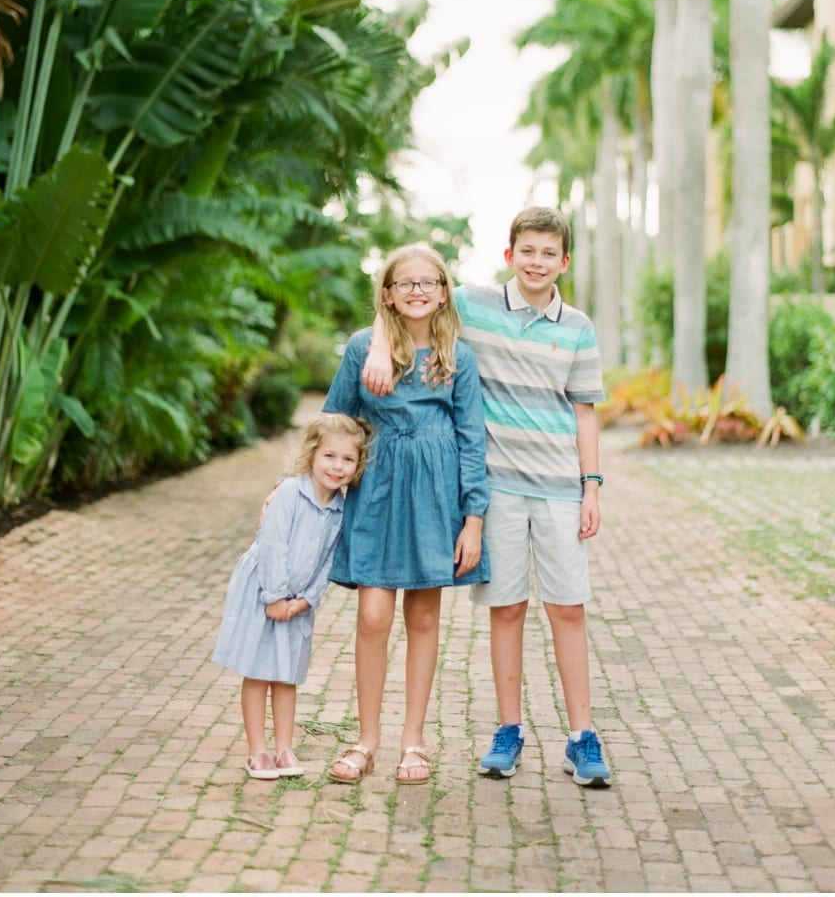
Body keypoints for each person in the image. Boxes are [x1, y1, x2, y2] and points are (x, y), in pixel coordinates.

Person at [363, 207, 611, 788]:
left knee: (567, 609)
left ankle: (582, 737)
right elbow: (401, 295)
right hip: (495, 489)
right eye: (527, 250)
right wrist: (377, 346)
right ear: (510, 254)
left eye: (549, 254)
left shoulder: (577, 326)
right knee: (508, 609)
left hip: (557, 488)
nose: (537, 262)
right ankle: (509, 729)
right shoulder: (473, 305)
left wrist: (591, 486)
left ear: (564, 263)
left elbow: (585, 412)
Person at [323, 243, 490, 786]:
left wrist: (474, 519)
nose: (418, 291)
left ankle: (413, 740)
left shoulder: (457, 357)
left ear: (444, 292)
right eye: (406, 283)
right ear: (388, 295)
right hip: (378, 492)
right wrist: (303, 488)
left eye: (429, 282)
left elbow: (471, 440)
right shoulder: (360, 351)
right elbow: (334, 423)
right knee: (373, 617)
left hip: (435, 499)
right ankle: (366, 738)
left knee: (423, 619)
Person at [212, 412, 371, 780]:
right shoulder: (289, 493)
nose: (337, 466)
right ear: (313, 454)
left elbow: (330, 559)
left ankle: (284, 748)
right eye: (330, 456)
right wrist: (274, 597)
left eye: (348, 460)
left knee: (286, 675)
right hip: (263, 593)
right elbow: (272, 546)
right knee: (257, 671)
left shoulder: (339, 508)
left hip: (298, 602)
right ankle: (257, 752)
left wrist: (306, 600)